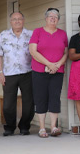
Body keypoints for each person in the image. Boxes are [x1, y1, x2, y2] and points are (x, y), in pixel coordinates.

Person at [29, 8, 68, 138]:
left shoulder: (62, 34)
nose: (53, 18)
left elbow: (66, 52)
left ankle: (53, 127)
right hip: (39, 71)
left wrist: (58, 65)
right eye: (50, 16)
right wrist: (49, 64)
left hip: (57, 71)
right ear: (45, 18)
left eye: (56, 16)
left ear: (58, 20)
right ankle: (41, 128)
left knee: (55, 97)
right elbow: (33, 52)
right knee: (41, 98)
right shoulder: (37, 32)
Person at [0, 12, 34, 136]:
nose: (17, 21)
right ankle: (10, 127)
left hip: (27, 73)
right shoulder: (3, 35)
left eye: (19, 19)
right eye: (14, 19)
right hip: (9, 74)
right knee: (8, 104)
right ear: (10, 21)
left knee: (29, 102)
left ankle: (24, 126)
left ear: (23, 20)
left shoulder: (31, 34)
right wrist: (1, 72)